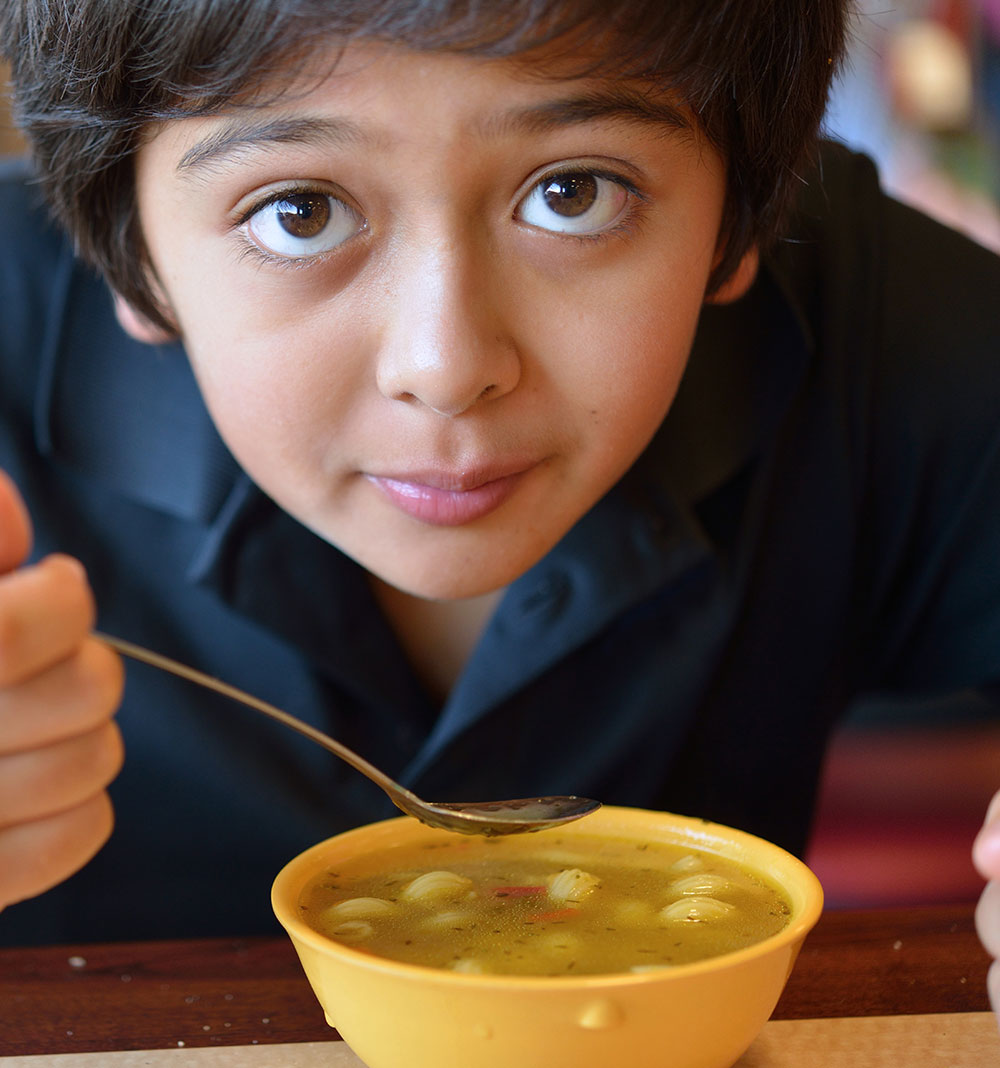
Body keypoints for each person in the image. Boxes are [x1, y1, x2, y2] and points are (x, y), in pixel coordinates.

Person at [0, 0, 997, 1017]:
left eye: (574, 194)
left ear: (732, 226)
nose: (446, 366)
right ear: (136, 257)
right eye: (299, 212)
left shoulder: (878, 321)